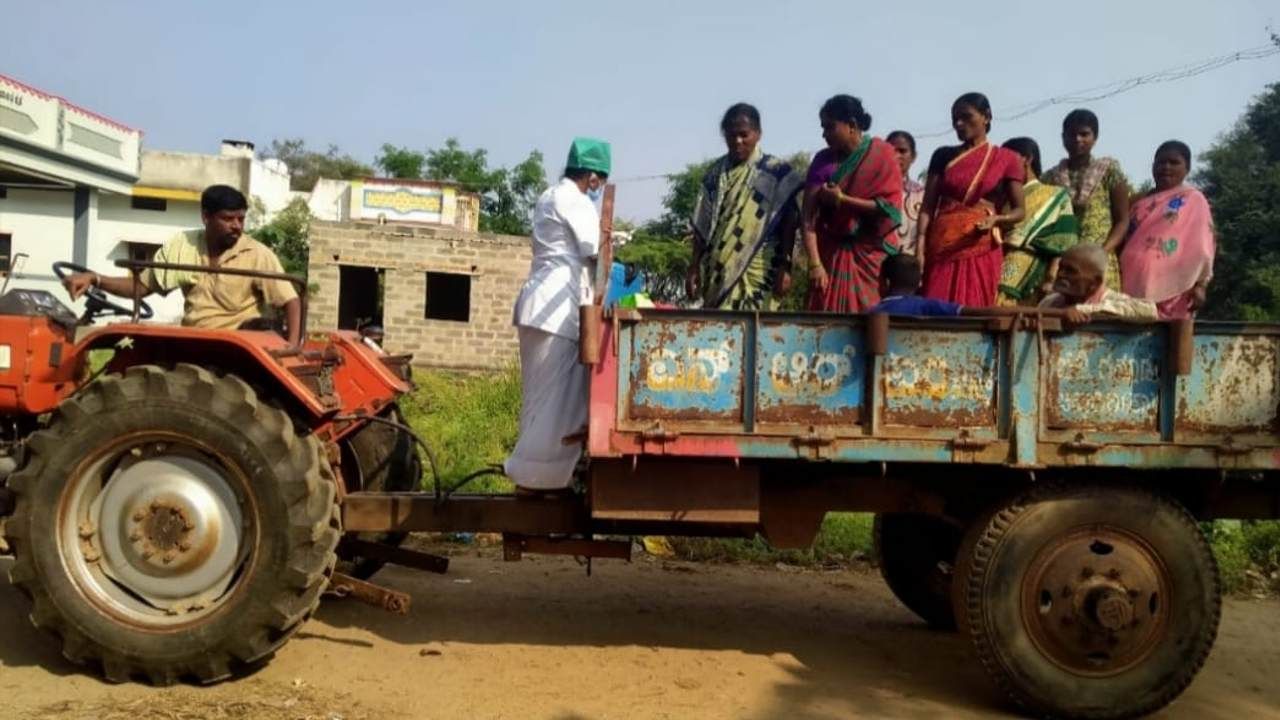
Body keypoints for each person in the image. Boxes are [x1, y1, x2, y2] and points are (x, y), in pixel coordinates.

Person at [61, 184, 302, 344]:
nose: (237, 226)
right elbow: (142, 287)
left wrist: (292, 347)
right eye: (228, 219)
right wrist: (95, 279)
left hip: (235, 344)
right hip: (194, 341)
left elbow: (290, 300)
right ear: (206, 217)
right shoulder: (183, 246)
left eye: (240, 219)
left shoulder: (257, 254)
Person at [504, 137, 610, 491]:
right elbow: (593, 249)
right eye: (601, 181)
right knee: (560, 399)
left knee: (538, 399)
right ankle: (542, 480)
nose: (599, 188)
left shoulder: (549, 196)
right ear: (593, 177)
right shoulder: (575, 201)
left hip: (537, 304)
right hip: (557, 308)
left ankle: (530, 477)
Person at [687, 103, 803, 310]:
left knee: (760, 332)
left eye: (744, 135)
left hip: (760, 269)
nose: (737, 141)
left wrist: (786, 266)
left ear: (758, 134)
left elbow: (790, 220)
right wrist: (694, 266)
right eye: (732, 136)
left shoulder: (775, 173)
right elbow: (701, 226)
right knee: (719, 335)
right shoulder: (714, 175)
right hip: (719, 271)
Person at [916, 92, 1026, 307]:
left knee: (976, 306)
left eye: (966, 117)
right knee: (936, 305)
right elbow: (928, 207)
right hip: (943, 243)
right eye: (955, 119)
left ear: (986, 117)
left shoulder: (1006, 159)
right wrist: (920, 247)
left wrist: (998, 220)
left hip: (981, 243)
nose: (959, 124)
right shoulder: (942, 155)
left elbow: (1020, 211)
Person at [802, 94, 904, 313]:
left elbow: (889, 209)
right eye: (823, 128)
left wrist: (843, 200)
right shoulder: (822, 161)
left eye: (830, 127)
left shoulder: (882, 155)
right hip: (830, 257)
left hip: (871, 258)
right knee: (826, 322)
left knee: (871, 320)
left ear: (851, 125)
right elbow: (808, 218)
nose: (824, 135)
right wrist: (815, 264)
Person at [1120, 141, 1215, 319]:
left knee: (1171, 342)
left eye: (1174, 162)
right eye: (1161, 162)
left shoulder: (1193, 200)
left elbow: (1204, 247)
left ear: (1187, 168)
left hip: (1176, 290)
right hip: (1130, 284)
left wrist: (1201, 285)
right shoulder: (1137, 201)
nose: (1166, 167)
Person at [1042, 109, 1130, 290]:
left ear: (1095, 137)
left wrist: (1102, 252)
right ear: (1063, 137)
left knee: (1100, 314)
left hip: (1100, 259)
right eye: (1071, 134)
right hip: (1063, 264)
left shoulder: (1109, 170)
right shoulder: (1050, 178)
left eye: (1084, 134)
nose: (1077, 139)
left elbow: (1122, 220)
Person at [997, 137, 1079, 306]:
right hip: (997, 262)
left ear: (1027, 159)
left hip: (1033, 270)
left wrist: (1051, 278)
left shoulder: (1055, 195)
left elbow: (1064, 243)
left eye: (1007, 159)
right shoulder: (1002, 199)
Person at [1040, 244, 1158, 322]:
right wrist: (1062, 313)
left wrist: (1083, 310)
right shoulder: (1050, 301)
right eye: (1061, 268)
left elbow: (1149, 310)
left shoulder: (1111, 299)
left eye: (1071, 271)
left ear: (1095, 282)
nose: (1060, 274)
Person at [887, 130, 925, 256]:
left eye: (902, 151)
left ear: (913, 156)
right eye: (892, 151)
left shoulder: (923, 195)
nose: (897, 156)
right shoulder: (872, 191)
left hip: (911, 265)